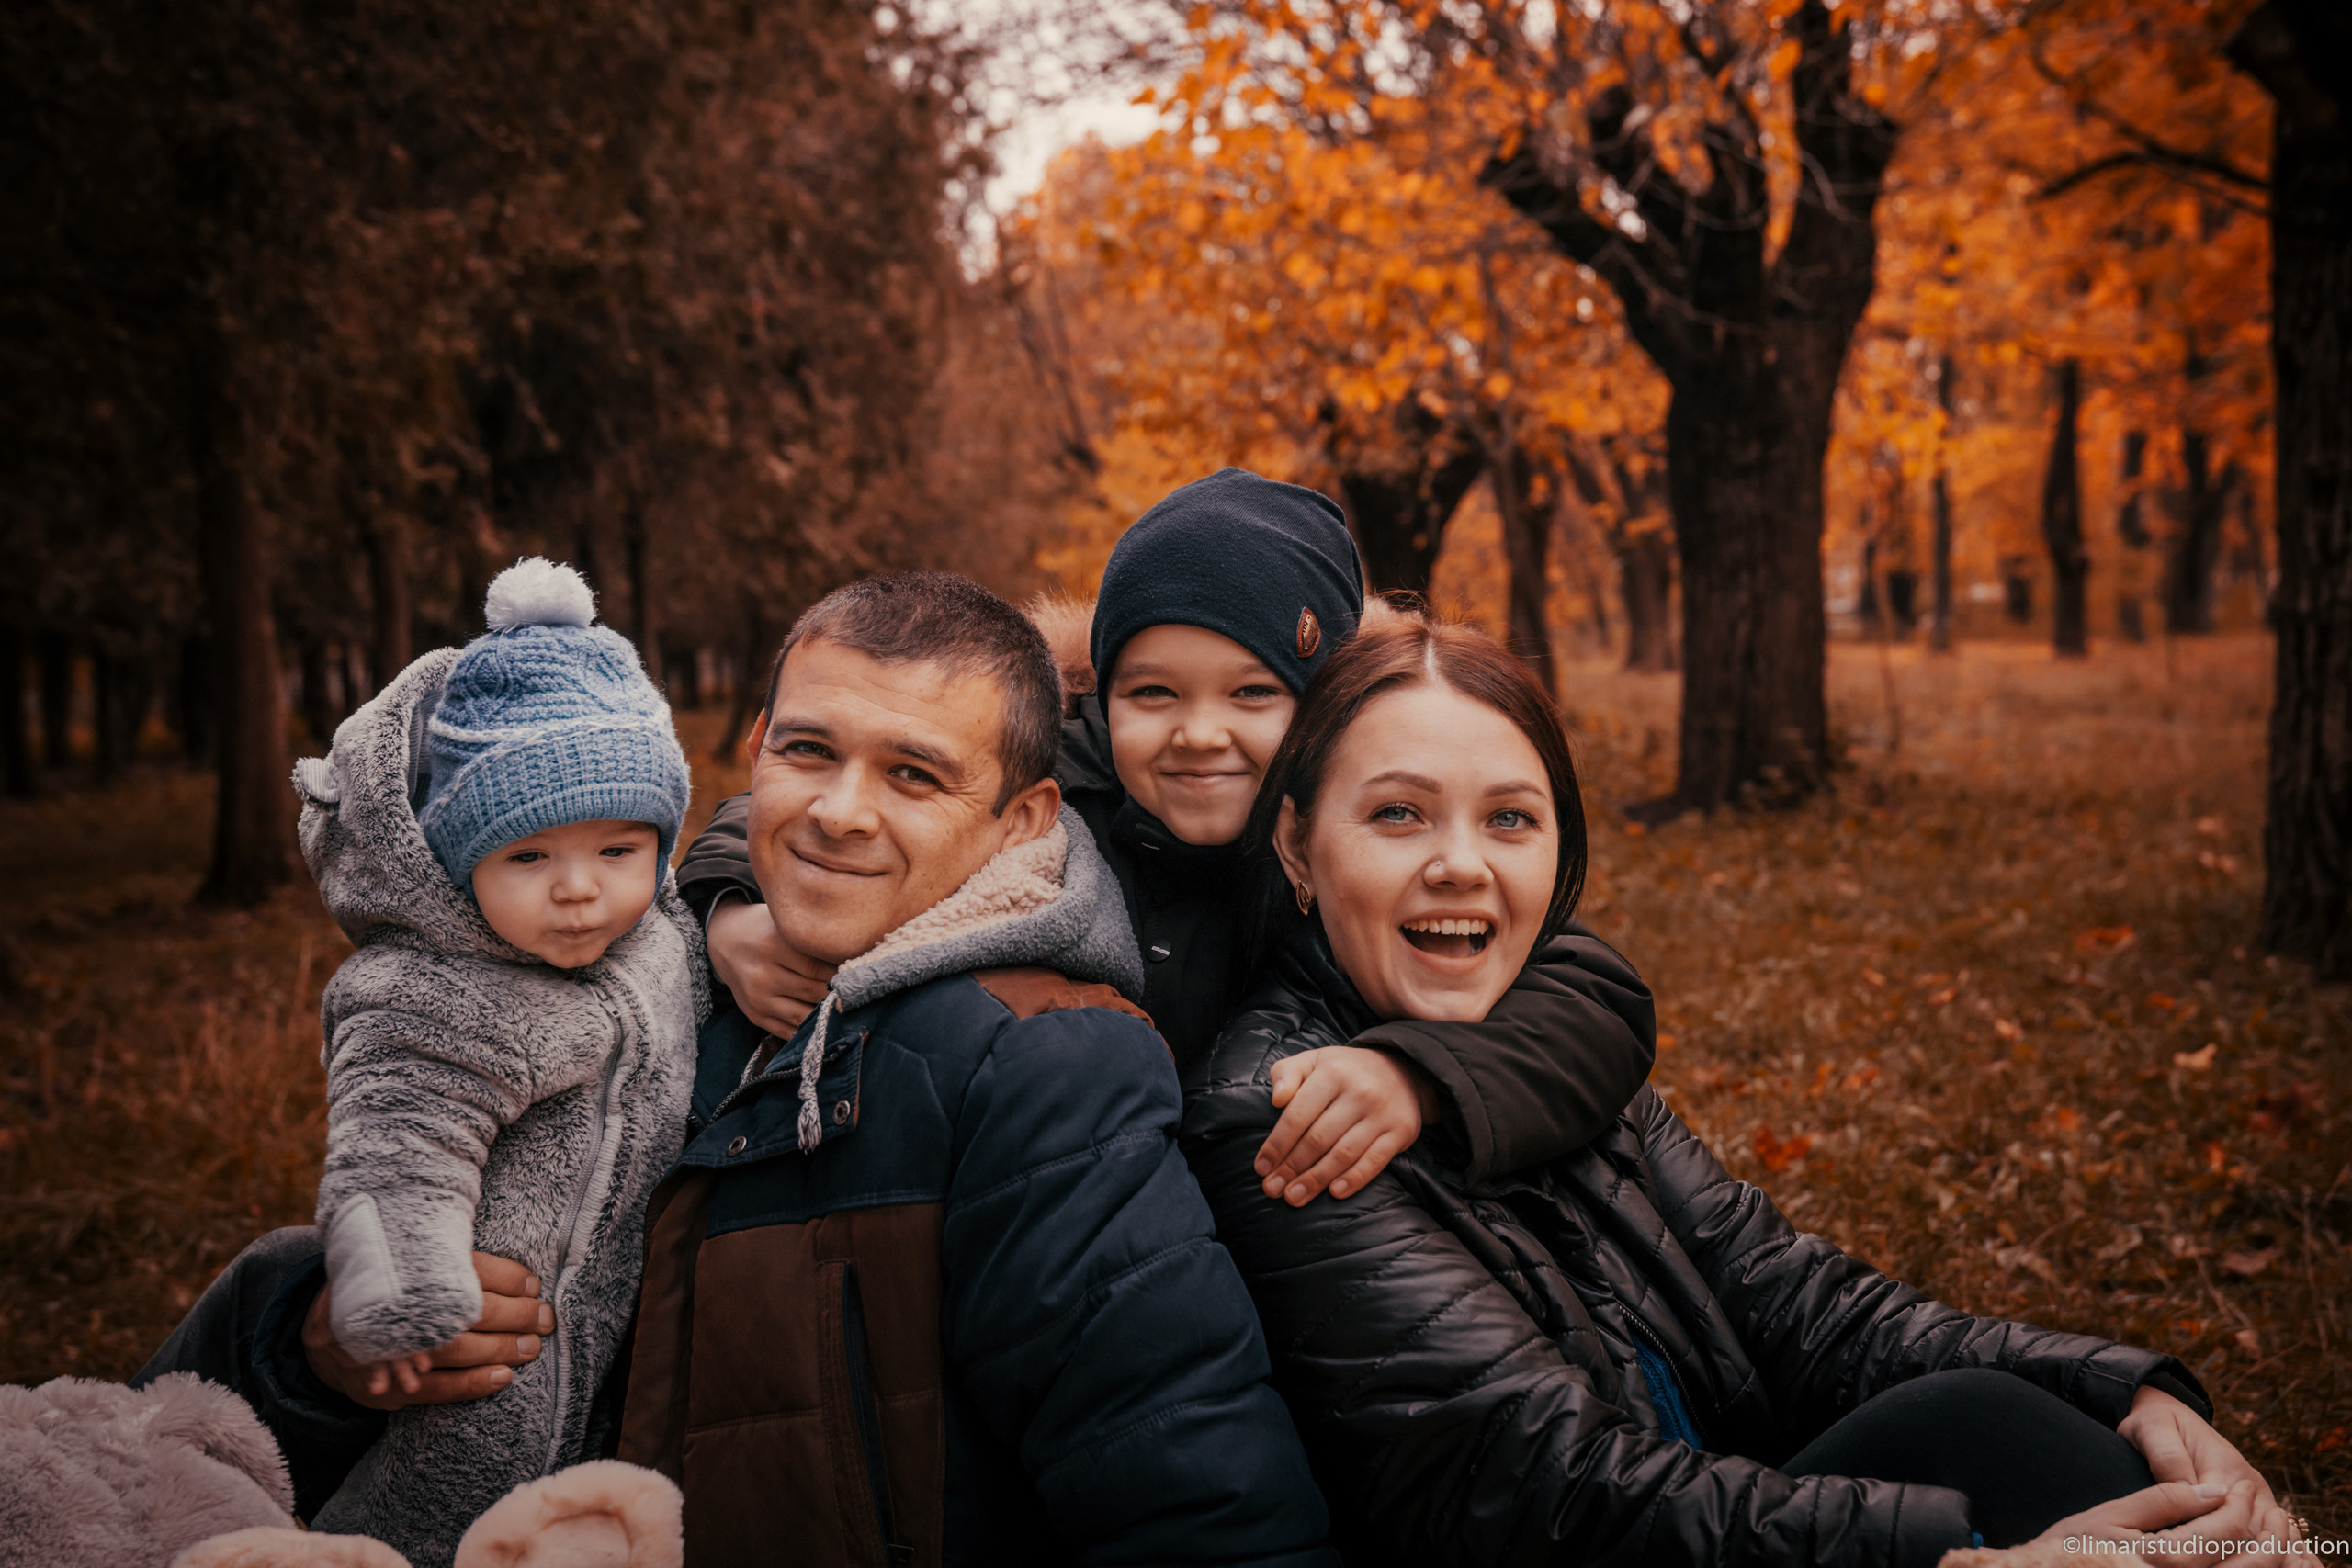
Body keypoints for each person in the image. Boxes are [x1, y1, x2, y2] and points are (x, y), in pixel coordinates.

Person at [1179, 611, 2294, 1568]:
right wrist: (1949, 1554)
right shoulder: (1290, 1114)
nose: (1462, 863)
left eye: (1509, 818)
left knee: (2004, 1423)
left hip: (1710, 1510)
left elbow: (1802, 1308)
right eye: (1398, 814)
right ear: (1294, 843)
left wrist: (2126, 1392)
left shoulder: (1532, 1046)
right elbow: (1547, 1487)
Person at [682, 468, 1659, 1213]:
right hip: (1081, 1179)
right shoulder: (1061, 786)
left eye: (1252, 694)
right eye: (1155, 694)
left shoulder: (1361, 831)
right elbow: (843, 796)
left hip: (1258, 1198)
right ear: (1103, 696)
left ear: (1319, 712)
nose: (1200, 734)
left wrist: (1423, 1076)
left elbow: (1591, 996)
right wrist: (731, 904)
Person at [608, 570, 1334, 1562]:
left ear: (1026, 818)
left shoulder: (1046, 1068)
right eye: (808, 750)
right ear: (755, 750)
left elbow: (1190, 1494)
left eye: (914, 775)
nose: (840, 812)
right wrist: (319, 1344)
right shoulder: (641, 990)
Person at [229, 558, 700, 1568]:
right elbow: (399, 1142)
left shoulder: (660, 938)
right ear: (457, 863)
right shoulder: (430, 993)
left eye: (618, 852)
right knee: (441, 1525)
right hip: (478, 1371)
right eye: (529, 858)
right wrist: (395, 1298)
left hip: (625, 1350)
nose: (580, 891)